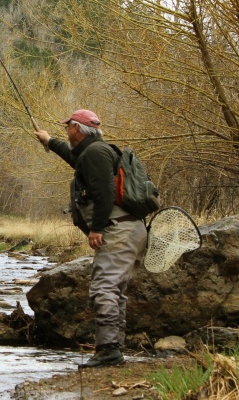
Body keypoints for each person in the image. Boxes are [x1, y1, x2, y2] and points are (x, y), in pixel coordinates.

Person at [34, 109, 147, 368]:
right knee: (115, 291)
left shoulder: (95, 153)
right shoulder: (95, 152)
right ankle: (113, 348)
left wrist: (97, 229)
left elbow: (105, 192)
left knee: (104, 289)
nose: (66, 132)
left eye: (67, 128)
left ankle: (108, 351)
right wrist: (50, 141)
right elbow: (76, 160)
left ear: (77, 128)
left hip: (117, 229)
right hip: (129, 229)